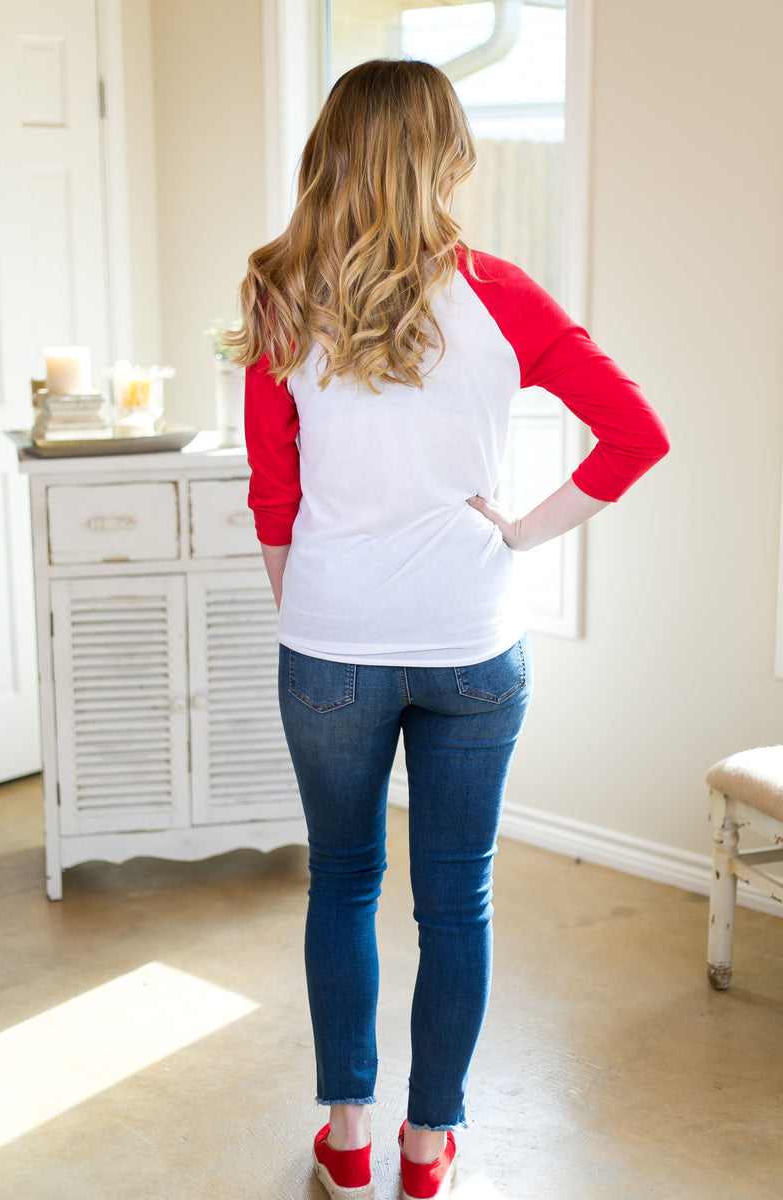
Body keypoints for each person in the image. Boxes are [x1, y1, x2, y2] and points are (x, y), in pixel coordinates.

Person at [230, 58, 669, 1200]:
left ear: (326, 147)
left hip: (330, 643)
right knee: (454, 898)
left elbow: (272, 494)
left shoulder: (279, 289)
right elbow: (634, 436)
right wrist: (520, 533)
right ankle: (428, 1154)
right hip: (473, 644)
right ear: (446, 152)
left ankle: (347, 1136)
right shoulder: (501, 294)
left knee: (341, 880)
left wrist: (317, 610)